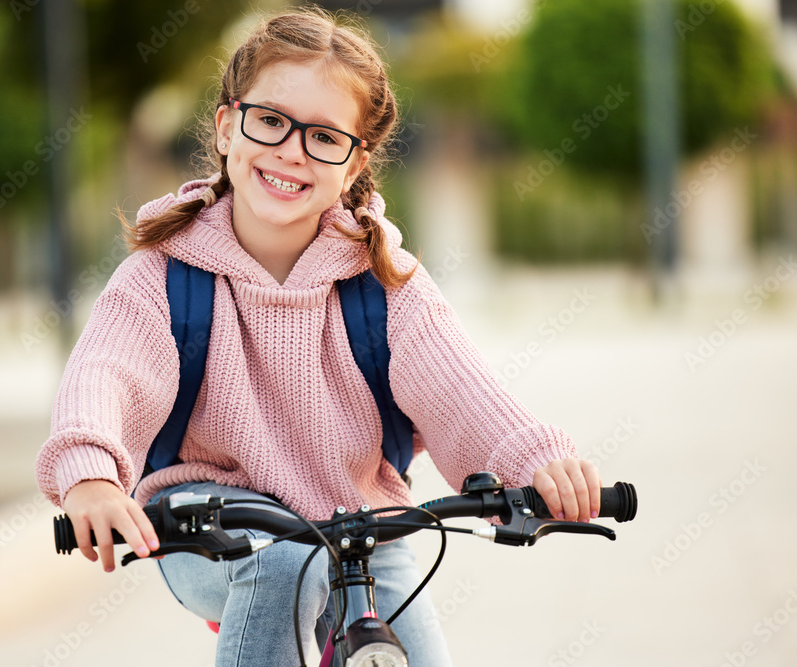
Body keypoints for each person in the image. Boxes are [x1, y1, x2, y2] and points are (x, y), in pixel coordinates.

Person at [35, 8, 601, 666]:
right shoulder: (162, 277)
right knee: (284, 565)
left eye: (324, 137)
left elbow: (466, 396)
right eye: (271, 121)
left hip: (364, 530)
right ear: (226, 127)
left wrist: (538, 463)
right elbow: (102, 379)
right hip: (212, 525)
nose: (291, 150)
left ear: (355, 159)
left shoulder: (386, 282)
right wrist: (90, 480)